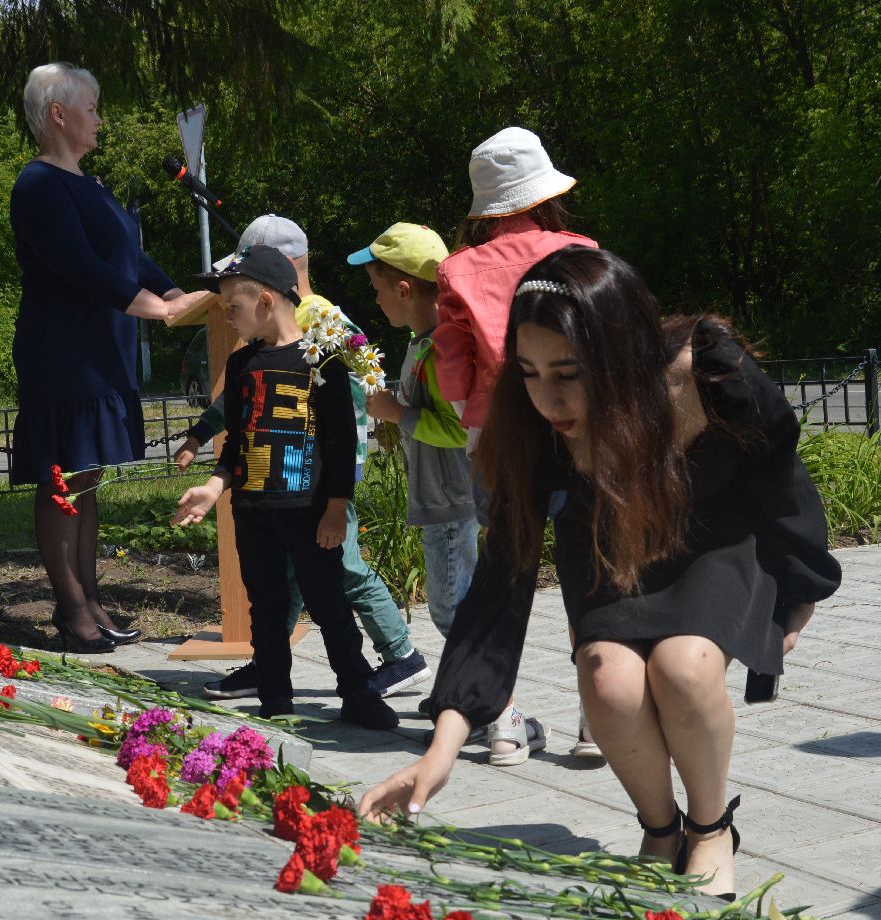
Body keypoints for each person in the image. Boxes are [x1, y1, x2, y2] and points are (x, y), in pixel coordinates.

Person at [359, 247, 842, 899]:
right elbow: (500, 586)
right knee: (608, 680)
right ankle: (660, 829)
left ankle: (709, 829)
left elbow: (778, 469)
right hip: (609, 543)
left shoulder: (706, 369)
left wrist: (801, 587)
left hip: (718, 537)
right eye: (528, 371)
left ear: (619, 353)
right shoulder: (531, 424)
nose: (547, 397)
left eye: (569, 372)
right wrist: (441, 752)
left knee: (685, 667)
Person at [175, 215, 429, 699]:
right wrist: (201, 433)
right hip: (280, 478)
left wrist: (340, 482)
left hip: (326, 474)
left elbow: (356, 390)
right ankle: (267, 663)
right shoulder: (270, 334)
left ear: (278, 276)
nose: (231, 310)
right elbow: (241, 401)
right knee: (283, 577)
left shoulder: (325, 321)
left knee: (344, 567)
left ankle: (402, 655)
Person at [8, 62, 208, 652]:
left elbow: (125, 255)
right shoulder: (38, 184)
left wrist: (172, 292)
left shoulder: (90, 184)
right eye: (91, 108)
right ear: (58, 115)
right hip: (63, 352)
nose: (99, 118)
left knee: (87, 478)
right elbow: (81, 266)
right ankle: (70, 611)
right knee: (63, 480)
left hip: (101, 352)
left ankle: (91, 601)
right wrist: (155, 308)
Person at [434, 125, 599, 763]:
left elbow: (452, 365)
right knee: (591, 566)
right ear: (543, 195)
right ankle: (598, 716)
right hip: (578, 424)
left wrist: (472, 423)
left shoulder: (456, 269)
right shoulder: (579, 250)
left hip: (497, 436)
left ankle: (500, 724)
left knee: (503, 577)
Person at [346, 222, 477, 640]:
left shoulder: (441, 350)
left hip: (452, 502)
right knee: (451, 606)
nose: (376, 299)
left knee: (453, 609)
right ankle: (468, 694)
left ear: (404, 290)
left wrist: (398, 416)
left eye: (376, 288)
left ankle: (485, 702)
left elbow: (459, 431)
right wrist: (396, 418)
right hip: (441, 498)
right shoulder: (422, 344)